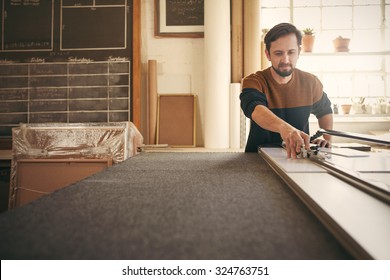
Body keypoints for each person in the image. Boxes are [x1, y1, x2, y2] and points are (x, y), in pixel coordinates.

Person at [240, 23, 333, 158]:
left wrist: (327, 139)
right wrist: (285, 129)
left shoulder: (311, 82)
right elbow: (255, 109)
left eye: (291, 52)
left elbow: (325, 111)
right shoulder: (254, 81)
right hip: (257, 157)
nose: (285, 60)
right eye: (278, 53)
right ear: (268, 54)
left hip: (298, 157)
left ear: (299, 52)